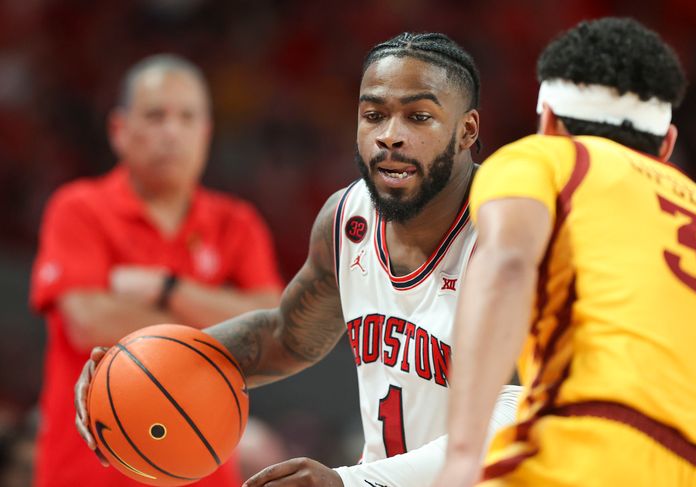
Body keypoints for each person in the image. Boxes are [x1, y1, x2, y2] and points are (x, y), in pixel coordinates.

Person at [73, 33, 521, 487]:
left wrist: (346, 482)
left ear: (467, 130)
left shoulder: (512, 236)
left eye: (418, 117)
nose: (390, 136)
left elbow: (518, 414)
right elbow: (287, 335)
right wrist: (137, 370)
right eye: (374, 115)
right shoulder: (347, 220)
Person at [437, 17, 696, 487]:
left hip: (583, 454)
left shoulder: (542, 159)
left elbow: (506, 266)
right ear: (666, 145)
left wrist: (464, 455)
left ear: (548, 120)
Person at [31, 54, 283, 487]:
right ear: (119, 131)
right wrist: (220, 321)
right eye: (155, 116)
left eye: (187, 118)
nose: (171, 131)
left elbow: (273, 329)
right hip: (86, 472)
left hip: (202, 472)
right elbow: (89, 321)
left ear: (205, 133)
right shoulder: (78, 208)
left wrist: (166, 288)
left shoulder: (237, 222)